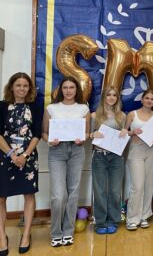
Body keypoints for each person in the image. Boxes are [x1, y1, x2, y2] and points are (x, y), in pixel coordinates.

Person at [42, 76, 90, 247]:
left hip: (76, 151)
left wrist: (82, 139)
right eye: (65, 87)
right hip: (57, 151)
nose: (68, 91)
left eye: (72, 87)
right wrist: (50, 141)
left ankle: (68, 231)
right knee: (57, 195)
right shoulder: (51, 108)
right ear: (60, 90)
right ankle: (56, 232)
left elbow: (86, 133)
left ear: (76, 89)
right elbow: (44, 133)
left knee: (73, 192)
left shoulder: (83, 109)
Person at [0, 72, 41, 255]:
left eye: (25, 86)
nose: (22, 89)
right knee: (1, 197)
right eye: (18, 85)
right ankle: (2, 237)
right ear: (11, 87)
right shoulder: (1, 106)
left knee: (29, 194)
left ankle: (26, 235)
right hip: (4, 154)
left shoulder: (35, 106)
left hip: (28, 155)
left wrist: (24, 155)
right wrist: (11, 154)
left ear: (29, 89)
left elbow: (37, 133)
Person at [90, 86, 127, 234]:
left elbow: (124, 136)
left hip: (117, 157)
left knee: (115, 190)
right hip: (99, 156)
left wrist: (125, 131)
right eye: (108, 95)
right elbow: (88, 135)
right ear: (103, 97)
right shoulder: (94, 116)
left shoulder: (122, 116)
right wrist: (93, 134)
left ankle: (113, 220)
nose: (111, 98)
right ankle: (100, 222)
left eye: (114, 95)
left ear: (117, 98)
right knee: (99, 190)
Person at [124, 89, 153, 230]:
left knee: (149, 185)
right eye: (147, 98)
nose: (149, 101)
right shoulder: (133, 114)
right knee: (137, 186)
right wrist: (132, 132)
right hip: (136, 151)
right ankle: (132, 218)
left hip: (151, 151)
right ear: (142, 99)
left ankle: (144, 216)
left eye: (152, 99)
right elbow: (123, 133)